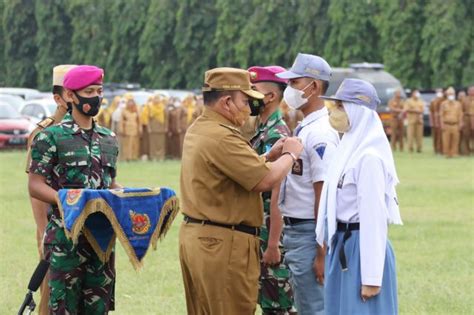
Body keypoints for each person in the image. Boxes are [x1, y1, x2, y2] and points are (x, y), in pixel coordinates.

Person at [179, 67, 304, 315]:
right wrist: (291, 154)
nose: (249, 109)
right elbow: (265, 180)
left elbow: (232, 172)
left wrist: (269, 155)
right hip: (222, 244)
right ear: (227, 102)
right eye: (245, 101)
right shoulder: (223, 137)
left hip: (203, 238)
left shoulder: (201, 128)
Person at [28, 65, 120, 313]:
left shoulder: (108, 138)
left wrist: (128, 196)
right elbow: (35, 185)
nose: (95, 97)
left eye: (99, 91)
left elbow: (109, 183)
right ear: (70, 96)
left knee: (97, 308)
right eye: (88, 90)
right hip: (64, 240)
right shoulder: (51, 137)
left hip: (101, 240)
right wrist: (64, 198)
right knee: (63, 308)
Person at [318, 78, 403, 314]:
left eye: (341, 107)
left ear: (357, 111)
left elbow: (374, 219)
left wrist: (372, 277)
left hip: (361, 250)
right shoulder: (348, 150)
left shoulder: (369, 158)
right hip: (343, 246)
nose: (334, 113)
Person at [276, 53, 339, 315]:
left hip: (309, 233)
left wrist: (321, 251)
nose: (289, 90)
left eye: (294, 83)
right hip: (298, 233)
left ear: (312, 87)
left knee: (315, 309)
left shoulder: (320, 132)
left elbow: (323, 194)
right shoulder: (305, 127)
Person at [25, 64, 76, 315]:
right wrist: (46, 234)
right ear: (59, 97)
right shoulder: (44, 134)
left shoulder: (90, 130)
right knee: (52, 298)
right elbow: (36, 190)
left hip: (86, 231)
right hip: (55, 229)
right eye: (73, 91)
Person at [248, 65, 296, 314]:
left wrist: (274, 243)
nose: (247, 95)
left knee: (278, 304)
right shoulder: (260, 129)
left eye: (253, 90)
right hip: (259, 229)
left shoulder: (277, 133)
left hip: (270, 231)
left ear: (271, 97)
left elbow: (279, 191)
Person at [141, 94, 168, 161]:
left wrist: (166, 127)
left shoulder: (163, 107)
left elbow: (166, 118)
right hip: (153, 127)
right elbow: (147, 119)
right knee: (153, 143)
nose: (156, 100)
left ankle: (161, 156)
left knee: (161, 143)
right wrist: (149, 128)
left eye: (158, 98)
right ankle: (153, 157)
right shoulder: (149, 107)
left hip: (161, 127)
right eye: (155, 98)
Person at [440, 87, 463, 158]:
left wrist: (460, 123)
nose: (451, 95)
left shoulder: (458, 104)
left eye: (452, 94)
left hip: (455, 125)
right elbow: (441, 115)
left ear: (454, 94)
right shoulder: (443, 104)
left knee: (455, 140)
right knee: (446, 140)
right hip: (446, 124)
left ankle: (454, 153)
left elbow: (460, 115)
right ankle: (447, 154)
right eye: (449, 94)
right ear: (446, 95)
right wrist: (442, 124)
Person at [429, 89, 445, 154]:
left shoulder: (444, 101)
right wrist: (432, 122)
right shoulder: (433, 101)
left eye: (440, 92)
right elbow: (431, 112)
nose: (439, 93)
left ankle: (442, 149)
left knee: (442, 136)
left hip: (443, 120)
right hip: (435, 120)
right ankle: (436, 149)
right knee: (435, 136)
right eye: (438, 92)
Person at [458, 90, 470, 155]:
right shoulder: (459, 103)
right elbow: (460, 112)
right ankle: (463, 151)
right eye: (460, 96)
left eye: (462, 96)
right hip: (464, 120)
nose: (461, 97)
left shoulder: (469, 101)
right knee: (463, 136)